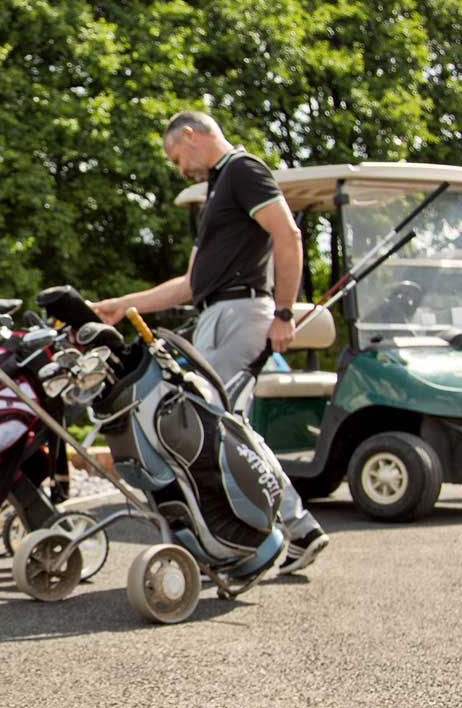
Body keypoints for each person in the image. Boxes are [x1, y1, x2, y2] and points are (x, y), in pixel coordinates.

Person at [88, 110, 327, 572]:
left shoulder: (244, 170)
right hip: (216, 313)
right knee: (218, 424)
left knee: (222, 426)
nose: (180, 170)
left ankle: (294, 529)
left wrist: (283, 313)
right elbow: (190, 284)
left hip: (242, 312)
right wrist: (124, 305)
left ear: (193, 136)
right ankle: (281, 530)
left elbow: (289, 234)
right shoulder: (219, 188)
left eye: (177, 157)